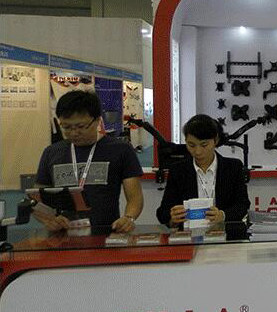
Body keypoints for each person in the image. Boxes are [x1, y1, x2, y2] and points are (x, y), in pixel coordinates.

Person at [34, 90, 143, 235]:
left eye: (81, 126)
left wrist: (129, 218)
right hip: (62, 236)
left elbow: (135, 197)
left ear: (97, 120)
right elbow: (37, 199)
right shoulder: (52, 152)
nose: (74, 133)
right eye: (66, 127)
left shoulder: (120, 150)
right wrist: (49, 219)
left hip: (106, 233)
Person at [156, 114, 250, 227]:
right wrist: (172, 218)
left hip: (226, 233)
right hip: (189, 235)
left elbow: (242, 205)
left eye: (204, 145)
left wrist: (223, 215)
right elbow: (163, 212)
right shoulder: (178, 170)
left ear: (215, 140)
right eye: (191, 145)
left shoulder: (233, 167)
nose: (198, 151)